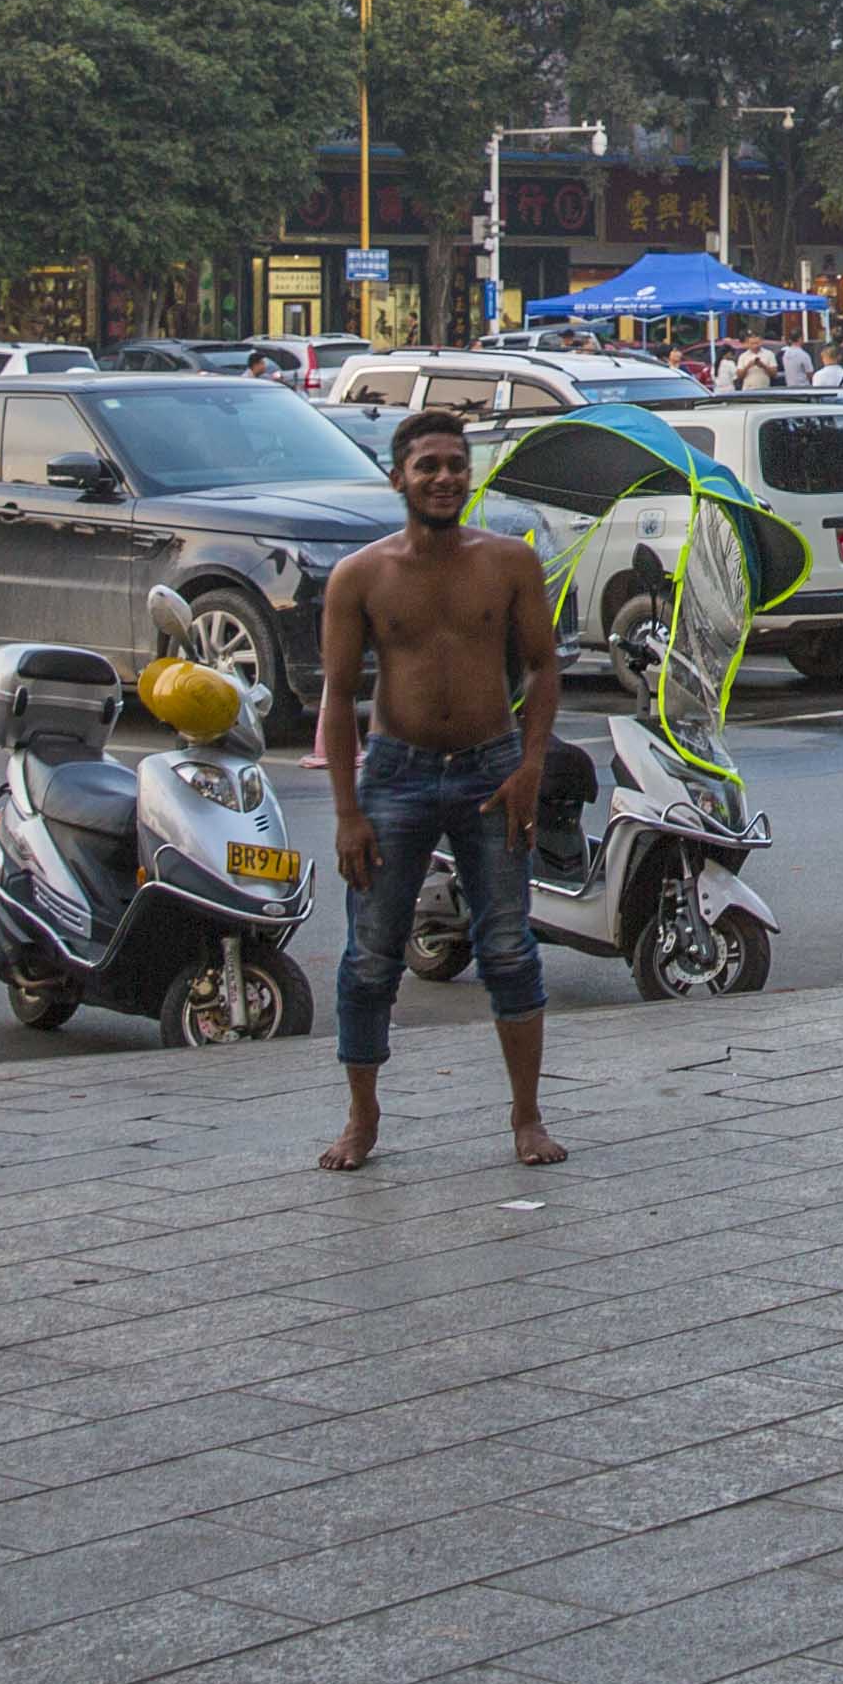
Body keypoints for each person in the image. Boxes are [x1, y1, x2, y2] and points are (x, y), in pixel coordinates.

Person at [309, 404, 560, 1172]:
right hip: (396, 774)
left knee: (511, 949)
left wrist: (530, 765)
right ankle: (362, 1116)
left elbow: (544, 667)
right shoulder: (362, 576)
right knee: (370, 958)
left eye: (455, 464)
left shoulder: (509, 563)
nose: (444, 477)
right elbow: (338, 692)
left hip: (491, 772)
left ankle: (526, 1114)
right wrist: (349, 810)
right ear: (400, 479)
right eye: (428, 466)